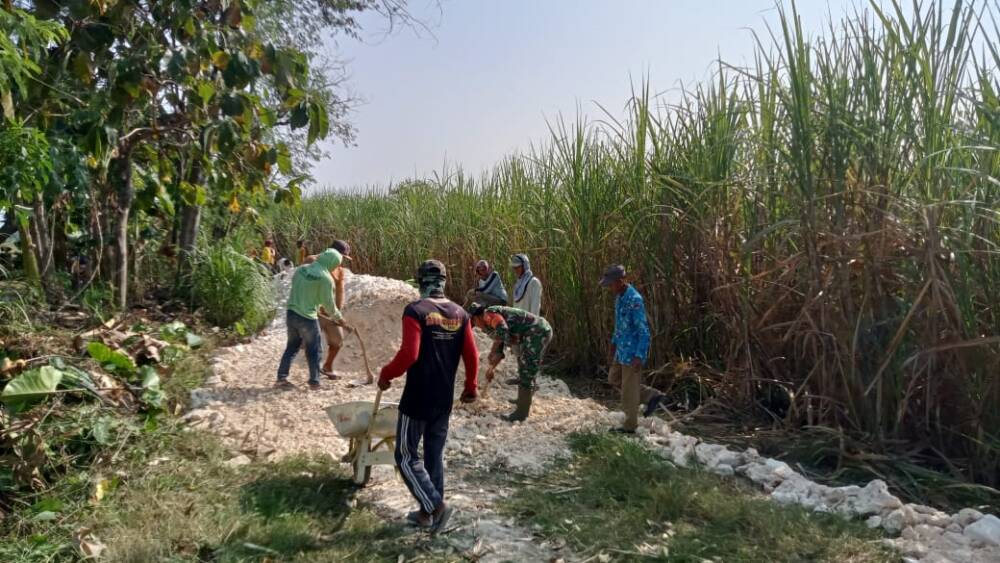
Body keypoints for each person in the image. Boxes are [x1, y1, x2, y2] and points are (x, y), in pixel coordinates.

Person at [378, 260, 478, 531]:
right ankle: (427, 514)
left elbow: (409, 354)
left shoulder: (416, 311)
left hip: (417, 398)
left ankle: (436, 506)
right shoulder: (460, 313)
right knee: (434, 455)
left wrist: (386, 374)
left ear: (421, 281)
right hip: (443, 399)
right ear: (444, 280)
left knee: (405, 455)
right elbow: (471, 354)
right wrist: (471, 387)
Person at [600, 264, 664, 433]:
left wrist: (639, 355)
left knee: (628, 390)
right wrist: (613, 343)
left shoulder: (635, 300)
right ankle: (651, 395)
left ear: (620, 281)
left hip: (632, 353)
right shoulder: (619, 298)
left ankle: (630, 426)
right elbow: (619, 326)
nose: (609, 288)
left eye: (611, 284)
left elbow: (644, 331)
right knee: (613, 378)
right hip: (621, 350)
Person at [275, 249, 352, 390]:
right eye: (336, 264)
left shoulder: (302, 269)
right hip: (307, 318)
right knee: (314, 350)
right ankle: (315, 382)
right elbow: (329, 305)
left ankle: (281, 378)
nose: (336, 267)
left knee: (292, 346)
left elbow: (297, 287)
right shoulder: (325, 278)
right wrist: (341, 320)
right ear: (331, 262)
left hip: (291, 313)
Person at [468, 303, 552, 422]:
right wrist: (491, 369)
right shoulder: (492, 323)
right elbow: (500, 350)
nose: (477, 327)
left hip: (538, 332)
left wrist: (492, 350)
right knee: (523, 364)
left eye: (475, 323)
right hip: (532, 333)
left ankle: (521, 413)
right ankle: (523, 399)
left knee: (527, 369)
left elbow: (502, 331)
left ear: (476, 318)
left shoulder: (489, 315)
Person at [303, 240, 352, 380]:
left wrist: (337, 314)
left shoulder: (339, 270)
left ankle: (328, 366)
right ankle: (314, 372)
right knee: (312, 343)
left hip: (329, 312)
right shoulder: (311, 260)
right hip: (312, 311)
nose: (342, 260)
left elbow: (340, 292)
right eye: (342, 256)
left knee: (338, 340)